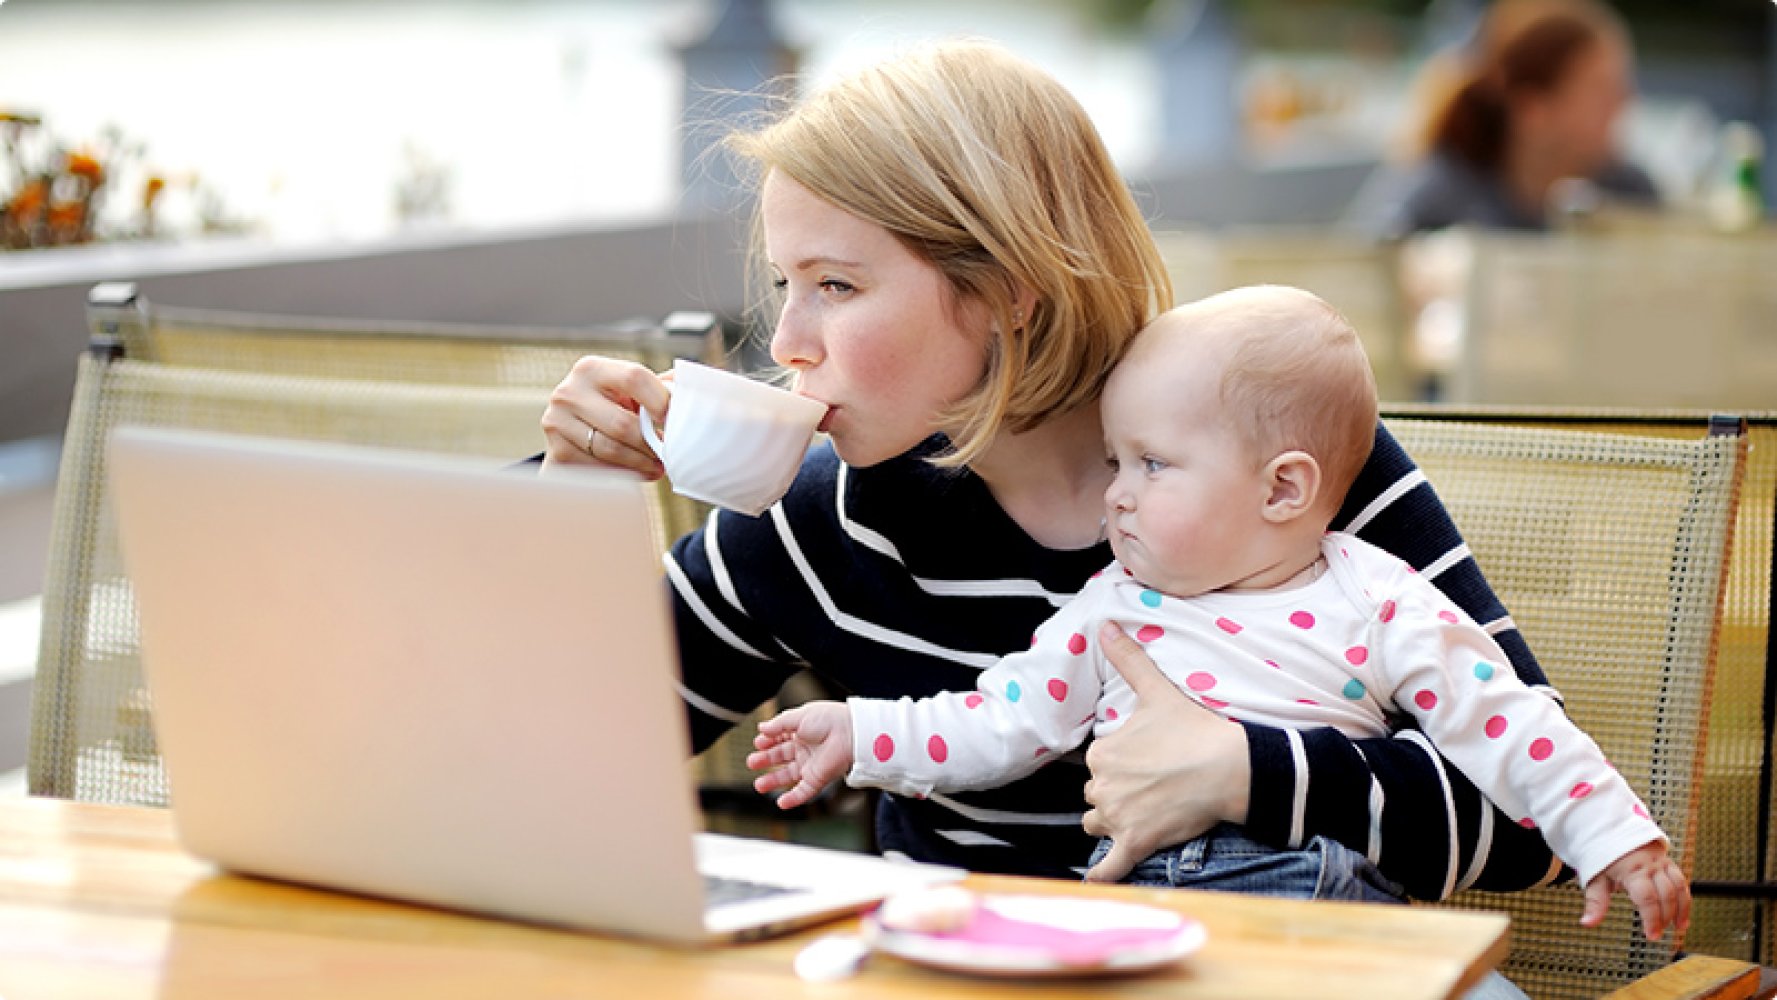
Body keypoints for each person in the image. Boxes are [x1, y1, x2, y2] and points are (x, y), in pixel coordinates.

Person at [542, 37, 1561, 919]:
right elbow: (548, 742)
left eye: (836, 286)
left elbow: (1537, 825)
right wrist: (557, 494)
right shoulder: (833, 514)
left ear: (1006, 291)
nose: (789, 342)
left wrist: (1245, 773)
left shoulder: (1276, 475)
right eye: (783, 284)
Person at [746, 285, 1690, 939]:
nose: (1114, 495)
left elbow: (1511, 726)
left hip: (1327, 905)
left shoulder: (1376, 595)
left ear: (1283, 489)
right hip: (1147, 919)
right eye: (1116, 462)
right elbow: (1001, 721)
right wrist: (861, 734)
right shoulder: (1109, 609)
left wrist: (1615, 837)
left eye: (1151, 466)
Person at [1348, 0, 1659, 238]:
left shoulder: (1630, 196)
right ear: (1533, 109)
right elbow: (1359, 277)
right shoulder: (1440, 197)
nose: (1624, 102)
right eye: (1600, 89)